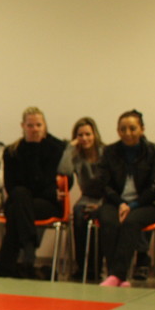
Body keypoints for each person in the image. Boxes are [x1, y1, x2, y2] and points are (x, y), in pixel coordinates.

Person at [0, 107, 65, 279]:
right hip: (23, 200)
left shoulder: (56, 149)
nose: (35, 129)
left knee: (18, 206)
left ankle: (6, 265)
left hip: (47, 204)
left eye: (38, 125)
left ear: (45, 125)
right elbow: (11, 185)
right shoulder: (12, 151)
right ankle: (28, 252)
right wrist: (44, 190)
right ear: (23, 126)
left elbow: (48, 182)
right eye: (30, 125)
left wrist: (45, 190)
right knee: (20, 196)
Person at [94, 109, 155, 287]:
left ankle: (118, 275)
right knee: (109, 220)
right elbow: (105, 184)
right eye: (122, 129)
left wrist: (132, 205)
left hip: (146, 204)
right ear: (118, 131)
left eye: (132, 128)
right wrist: (121, 203)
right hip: (115, 201)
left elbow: (154, 187)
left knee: (131, 222)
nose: (127, 133)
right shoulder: (109, 151)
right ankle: (116, 276)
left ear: (142, 129)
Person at [58, 116, 105, 279]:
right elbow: (63, 171)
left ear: (95, 135)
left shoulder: (105, 152)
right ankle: (82, 267)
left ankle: (96, 268)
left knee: (99, 216)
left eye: (88, 134)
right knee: (78, 213)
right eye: (80, 135)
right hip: (87, 196)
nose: (84, 139)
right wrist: (69, 149)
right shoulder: (76, 155)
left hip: (106, 196)